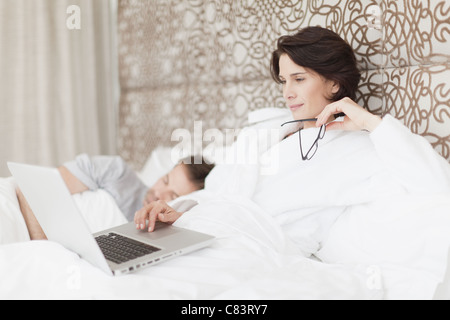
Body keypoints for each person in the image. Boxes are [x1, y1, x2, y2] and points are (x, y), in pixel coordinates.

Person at [134, 25, 450, 256]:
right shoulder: (270, 128)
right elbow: (221, 189)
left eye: (299, 79)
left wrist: (371, 123)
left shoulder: (359, 147)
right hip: (205, 231)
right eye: (284, 80)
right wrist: (181, 212)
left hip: (254, 251)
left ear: (335, 83)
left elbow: (437, 183)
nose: (287, 92)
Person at [16, 154, 215, 240]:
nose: (158, 194)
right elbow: (36, 188)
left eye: (172, 196)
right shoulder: (118, 173)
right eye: (164, 180)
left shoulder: (162, 234)